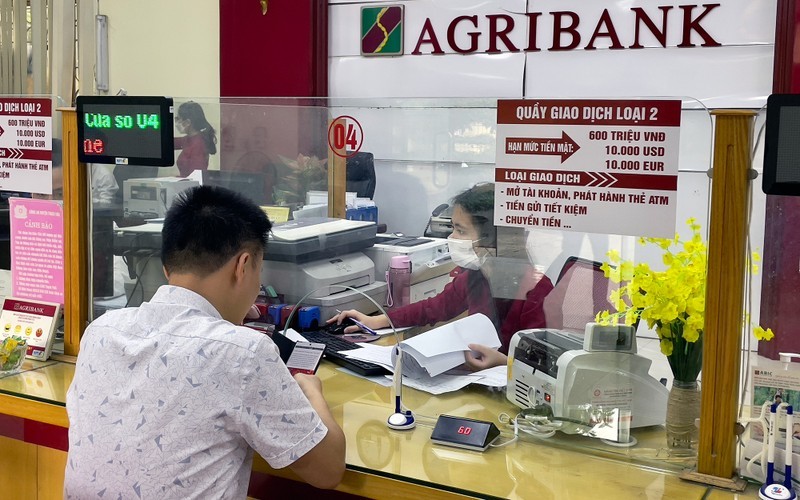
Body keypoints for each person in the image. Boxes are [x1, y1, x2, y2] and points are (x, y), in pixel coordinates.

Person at [65, 185, 345, 498]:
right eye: (258, 271)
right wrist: (311, 390)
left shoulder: (100, 331)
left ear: (167, 268)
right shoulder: (242, 353)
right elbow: (328, 469)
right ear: (242, 267)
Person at [330, 183, 554, 370]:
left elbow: (543, 364)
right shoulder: (476, 276)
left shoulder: (535, 290)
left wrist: (504, 363)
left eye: (461, 230)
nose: (452, 237)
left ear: (492, 239)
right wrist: (375, 321)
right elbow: (433, 308)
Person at [174, 101, 217, 177]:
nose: (176, 122)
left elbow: (195, 177)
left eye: (178, 118)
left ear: (187, 122)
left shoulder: (198, 145)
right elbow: (168, 143)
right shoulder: (188, 139)